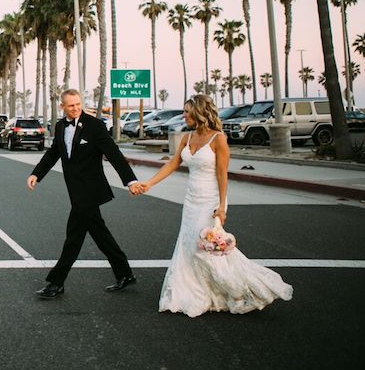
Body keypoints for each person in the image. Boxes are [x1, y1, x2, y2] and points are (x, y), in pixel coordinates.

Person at [136, 94, 293, 317]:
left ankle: (233, 290)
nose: (184, 115)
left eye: (187, 112)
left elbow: (222, 174)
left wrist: (221, 206)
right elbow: (172, 164)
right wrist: (148, 184)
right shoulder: (187, 138)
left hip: (211, 200)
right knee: (189, 245)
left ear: (199, 113)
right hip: (191, 200)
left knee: (204, 248)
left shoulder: (218, 139)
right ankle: (194, 292)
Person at [27, 89, 140, 299]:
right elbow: (54, 153)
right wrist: (37, 174)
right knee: (99, 233)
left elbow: (113, 153)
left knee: (74, 236)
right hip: (75, 190)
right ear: (63, 106)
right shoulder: (61, 126)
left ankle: (56, 282)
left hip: (91, 190)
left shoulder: (95, 125)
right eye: (71, 105)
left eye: (78, 104)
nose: (76, 108)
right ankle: (125, 273)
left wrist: (130, 181)